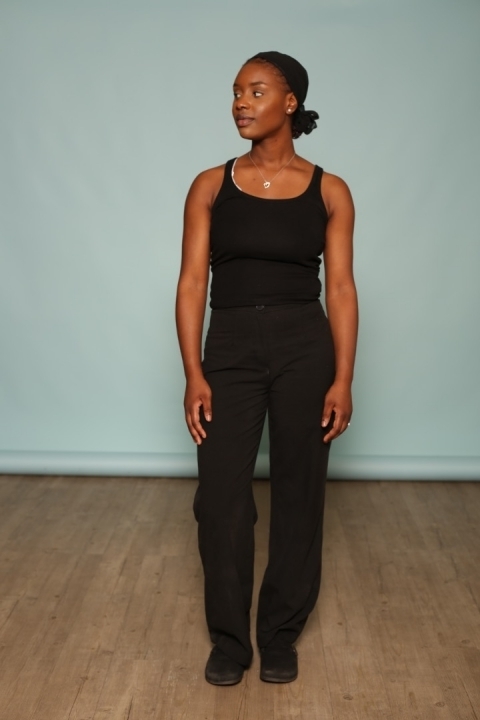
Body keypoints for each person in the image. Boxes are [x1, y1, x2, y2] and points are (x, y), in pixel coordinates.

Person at [175, 51, 358, 686]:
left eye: (256, 91)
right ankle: (230, 641)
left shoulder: (330, 190)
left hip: (305, 344)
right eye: (235, 92)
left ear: (290, 102)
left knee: (300, 492)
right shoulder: (210, 184)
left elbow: (341, 289)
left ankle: (279, 634)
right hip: (228, 346)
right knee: (221, 497)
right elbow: (192, 282)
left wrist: (343, 378)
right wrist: (194, 371)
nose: (240, 102)